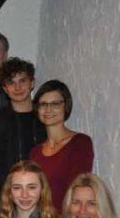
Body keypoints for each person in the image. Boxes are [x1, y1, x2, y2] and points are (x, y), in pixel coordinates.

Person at [0, 58, 46, 206]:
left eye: (22, 81)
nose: (17, 87)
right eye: (11, 82)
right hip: (6, 203)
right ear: (4, 88)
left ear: (32, 83)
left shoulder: (44, 119)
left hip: (41, 200)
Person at [29, 80, 94, 211]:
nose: (48, 109)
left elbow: (77, 189)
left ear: (66, 106)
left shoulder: (80, 143)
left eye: (55, 104)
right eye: (43, 104)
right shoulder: (34, 152)